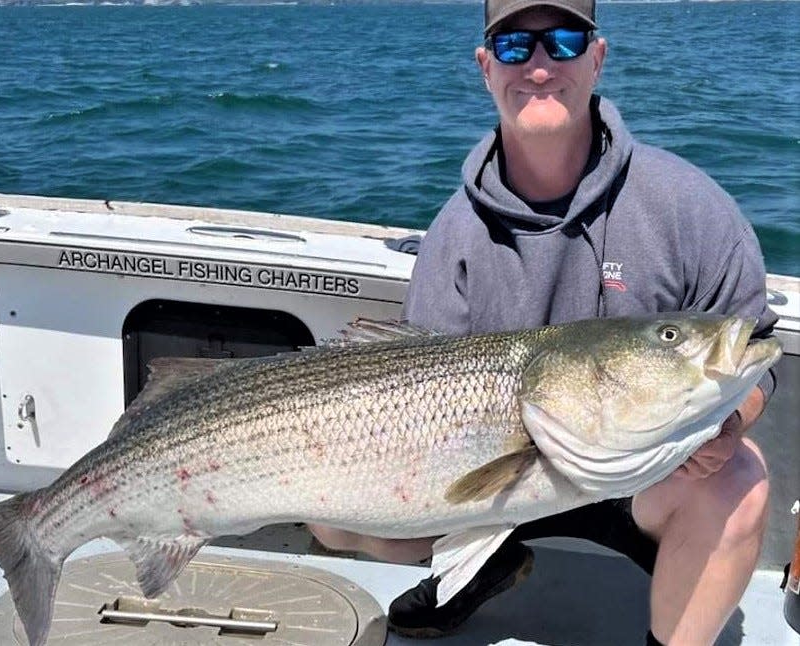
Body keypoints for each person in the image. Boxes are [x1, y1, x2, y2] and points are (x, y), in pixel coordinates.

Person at [309, 0, 778, 643]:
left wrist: (730, 421)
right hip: (496, 474)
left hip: (644, 472)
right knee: (334, 518)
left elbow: (755, 347)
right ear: (485, 67)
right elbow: (411, 380)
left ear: (597, 57)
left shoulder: (688, 207)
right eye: (512, 46)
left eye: (562, 42)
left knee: (741, 481)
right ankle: (482, 566)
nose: (537, 65)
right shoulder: (453, 236)